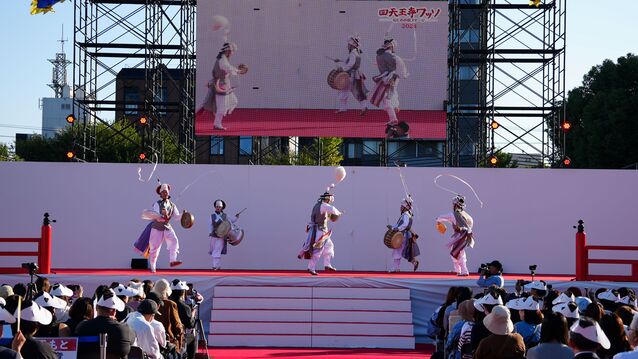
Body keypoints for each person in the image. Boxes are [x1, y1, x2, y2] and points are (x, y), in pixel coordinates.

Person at [199, 42, 247, 130]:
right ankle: (217, 124)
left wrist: (236, 71)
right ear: (228, 51)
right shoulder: (222, 60)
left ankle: (221, 115)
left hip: (224, 84)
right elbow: (228, 68)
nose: (232, 53)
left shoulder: (223, 58)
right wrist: (238, 71)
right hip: (221, 85)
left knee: (234, 101)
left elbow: (228, 69)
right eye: (231, 51)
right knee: (222, 107)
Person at [75, 289, 135, 359]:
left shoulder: (82, 327)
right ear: (114, 312)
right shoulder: (125, 329)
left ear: (96, 308)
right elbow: (133, 344)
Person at [298, 191, 342, 275]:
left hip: (319, 230)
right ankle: (311, 267)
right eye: (330, 198)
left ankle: (327, 264)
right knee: (318, 249)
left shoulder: (317, 205)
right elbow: (334, 210)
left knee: (329, 246)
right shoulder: (324, 206)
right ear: (327, 198)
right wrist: (339, 213)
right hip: (321, 231)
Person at [370, 37, 407, 125]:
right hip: (392, 78)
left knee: (386, 97)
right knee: (390, 94)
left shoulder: (379, 56)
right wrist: (404, 74)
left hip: (387, 78)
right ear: (392, 46)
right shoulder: (394, 57)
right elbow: (401, 67)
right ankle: (395, 107)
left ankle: (394, 118)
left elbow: (381, 65)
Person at [436, 195, 475, 276]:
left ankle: (464, 271)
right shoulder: (467, 215)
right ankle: (457, 270)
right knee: (456, 253)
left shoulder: (453, 214)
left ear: (455, 205)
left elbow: (441, 217)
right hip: (465, 236)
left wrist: (438, 220)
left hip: (460, 236)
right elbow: (470, 225)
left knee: (458, 253)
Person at [148, 183, 183, 273]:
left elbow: (176, 217)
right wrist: (162, 215)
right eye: (163, 192)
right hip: (157, 226)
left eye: (166, 192)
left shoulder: (172, 205)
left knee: (174, 240)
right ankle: (153, 265)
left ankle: (172, 260)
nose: (165, 193)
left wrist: (183, 214)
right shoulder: (157, 204)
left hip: (166, 226)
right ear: (160, 194)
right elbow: (155, 215)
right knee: (155, 247)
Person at [334, 35, 369, 115]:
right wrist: (340, 60)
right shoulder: (356, 52)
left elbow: (351, 64)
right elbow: (350, 61)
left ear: (352, 45)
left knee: (345, 90)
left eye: (349, 45)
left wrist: (342, 68)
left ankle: (343, 108)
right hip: (356, 74)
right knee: (356, 91)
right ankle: (363, 107)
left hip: (351, 75)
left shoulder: (353, 53)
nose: (347, 46)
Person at [388, 198, 420, 272]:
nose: (400, 208)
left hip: (403, 236)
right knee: (405, 251)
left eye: (401, 206)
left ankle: (396, 268)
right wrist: (392, 227)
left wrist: (397, 229)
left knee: (397, 251)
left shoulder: (405, 215)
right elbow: (399, 225)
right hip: (406, 235)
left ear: (405, 207)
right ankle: (414, 262)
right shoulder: (407, 214)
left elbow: (405, 224)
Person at [169, 280, 197, 359]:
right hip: (178, 336)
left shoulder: (165, 303)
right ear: (182, 292)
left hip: (167, 334)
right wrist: (193, 313)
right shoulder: (184, 307)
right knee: (192, 338)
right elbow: (190, 325)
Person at [208, 199, 240, 270]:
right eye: (216, 207)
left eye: (219, 207)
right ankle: (216, 265)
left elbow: (232, 220)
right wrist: (210, 232)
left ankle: (215, 265)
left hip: (221, 236)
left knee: (217, 250)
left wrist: (236, 217)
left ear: (222, 208)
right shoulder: (212, 216)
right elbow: (210, 225)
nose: (218, 208)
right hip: (214, 235)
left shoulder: (226, 216)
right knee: (215, 250)